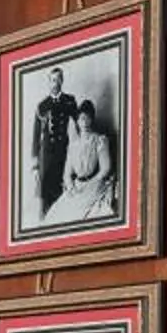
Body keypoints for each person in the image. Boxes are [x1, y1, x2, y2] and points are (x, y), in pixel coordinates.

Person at [29, 66, 83, 219]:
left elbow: (79, 125)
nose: (55, 83)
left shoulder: (69, 101)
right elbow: (35, 137)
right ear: (49, 82)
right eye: (53, 80)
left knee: (63, 185)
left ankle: (61, 221)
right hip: (46, 154)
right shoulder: (42, 106)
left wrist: (79, 149)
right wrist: (35, 164)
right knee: (46, 190)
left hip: (63, 151)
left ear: (62, 80)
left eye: (58, 79)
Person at [53, 100, 117, 223]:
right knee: (58, 215)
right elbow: (67, 174)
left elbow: (105, 168)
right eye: (82, 118)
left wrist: (90, 184)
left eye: (88, 118)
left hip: (94, 183)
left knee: (79, 214)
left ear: (92, 119)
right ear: (77, 121)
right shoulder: (73, 145)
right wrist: (71, 188)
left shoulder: (100, 140)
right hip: (77, 186)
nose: (85, 122)